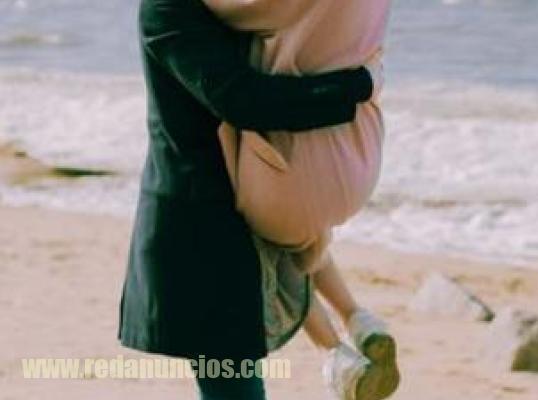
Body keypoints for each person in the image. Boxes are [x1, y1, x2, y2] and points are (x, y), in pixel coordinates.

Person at [117, 0, 377, 399]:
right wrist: (359, 85)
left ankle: (346, 341)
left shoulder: (240, 9)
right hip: (197, 228)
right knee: (233, 384)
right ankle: (347, 339)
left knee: (235, 381)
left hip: (245, 204)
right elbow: (243, 100)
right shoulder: (167, 9)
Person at [201, 1, 400, 399]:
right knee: (303, 233)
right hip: (359, 146)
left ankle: (335, 354)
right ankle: (357, 318)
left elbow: (236, 12)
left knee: (270, 239)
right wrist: (365, 83)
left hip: (292, 157)